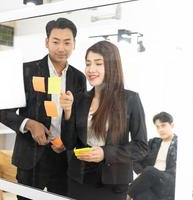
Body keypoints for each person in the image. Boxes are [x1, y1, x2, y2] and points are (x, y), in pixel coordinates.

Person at [0, 18, 86, 199]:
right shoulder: (26, 71)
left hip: (64, 159)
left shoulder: (79, 78)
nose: (61, 48)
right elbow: (3, 114)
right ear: (46, 42)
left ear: (74, 44)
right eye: (55, 41)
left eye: (67, 42)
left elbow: (80, 119)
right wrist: (29, 124)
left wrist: (68, 141)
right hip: (31, 157)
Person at [59, 40, 148, 200]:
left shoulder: (130, 99)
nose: (91, 69)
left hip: (113, 185)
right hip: (79, 180)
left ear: (112, 67)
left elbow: (141, 147)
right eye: (88, 63)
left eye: (98, 64)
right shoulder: (80, 99)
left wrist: (105, 153)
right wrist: (67, 112)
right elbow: (69, 143)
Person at [126, 112, 177, 200]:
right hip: (150, 181)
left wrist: (148, 173)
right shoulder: (153, 143)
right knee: (140, 194)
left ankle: (126, 196)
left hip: (168, 182)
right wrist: (141, 173)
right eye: (158, 127)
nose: (160, 129)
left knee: (150, 170)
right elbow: (135, 159)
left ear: (172, 125)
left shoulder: (179, 144)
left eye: (163, 125)